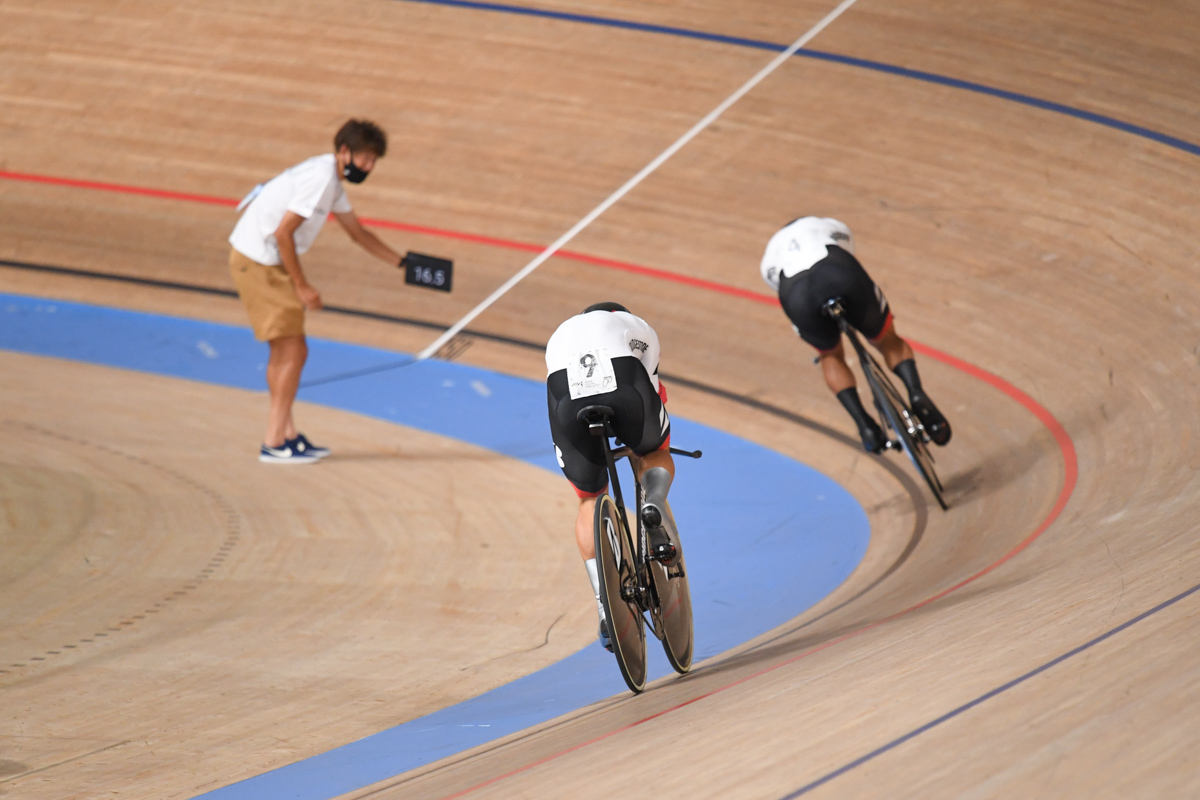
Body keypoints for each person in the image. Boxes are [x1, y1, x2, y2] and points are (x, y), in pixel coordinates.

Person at [228, 119, 407, 464]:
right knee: (293, 351)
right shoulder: (321, 179)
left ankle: (286, 435)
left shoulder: (331, 180)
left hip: (262, 260)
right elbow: (284, 234)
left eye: (373, 162)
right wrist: (303, 286)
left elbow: (358, 233)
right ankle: (274, 441)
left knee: (286, 350)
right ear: (344, 152)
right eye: (365, 159)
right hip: (260, 262)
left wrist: (404, 265)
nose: (368, 167)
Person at [545, 302, 676, 651]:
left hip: (566, 395)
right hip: (626, 379)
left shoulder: (561, 334)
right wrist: (642, 447)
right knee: (652, 452)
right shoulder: (638, 326)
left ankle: (605, 605)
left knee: (588, 499)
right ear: (619, 315)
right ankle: (655, 506)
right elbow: (654, 393)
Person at [760, 216, 951, 452]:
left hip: (797, 293)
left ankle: (864, 423)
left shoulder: (768, 258)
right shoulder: (830, 225)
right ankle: (916, 392)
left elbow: (777, 286)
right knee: (885, 339)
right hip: (838, 272)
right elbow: (849, 257)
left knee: (830, 355)